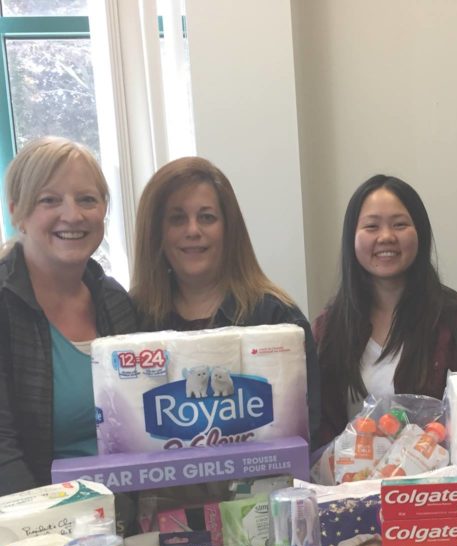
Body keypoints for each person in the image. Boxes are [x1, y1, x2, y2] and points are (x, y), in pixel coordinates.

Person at [130, 156, 320, 447]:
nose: (193, 230)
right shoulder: (133, 320)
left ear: (229, 229)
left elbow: (309, 429)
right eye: (177, 218)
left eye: (207, 217)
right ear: (156, 232)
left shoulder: (276, 317)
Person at [0, 137, 138, 495]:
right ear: (17, 212)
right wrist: (44, 536)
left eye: (87, 199)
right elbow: (3, 452)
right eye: (49, 200)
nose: (73, 215)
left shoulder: (114, 299)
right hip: (31, 531)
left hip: (119, 523)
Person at [313, 174, 457, 446]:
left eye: (399, 225)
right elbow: (320, 422)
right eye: (371, 226)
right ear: (352, 238)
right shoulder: (329, 328)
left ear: (419, 232)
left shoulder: (456, 321)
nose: (386, 237)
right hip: (347, 482)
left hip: (433, 483)